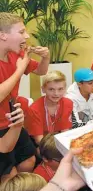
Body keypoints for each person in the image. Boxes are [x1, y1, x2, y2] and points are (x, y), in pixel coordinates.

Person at [0, 12, 50, 180]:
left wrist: (46, 57)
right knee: (9, 176)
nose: (27, 36)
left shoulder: (17, 54)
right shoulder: (18, 62)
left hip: (14, 121)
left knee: (29, 160)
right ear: (3, 35)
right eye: (21, 32)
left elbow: (41, 71)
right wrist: (19, 69)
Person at [26, 71, 73, 145]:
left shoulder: (68, 103)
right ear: (43, 89)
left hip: (59, 140)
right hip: (41, 144)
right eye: (51, 89)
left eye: (60, 89)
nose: (56, 94)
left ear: (65, 89)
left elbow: (65, 132)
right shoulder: (34, 109)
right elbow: (39, 141)